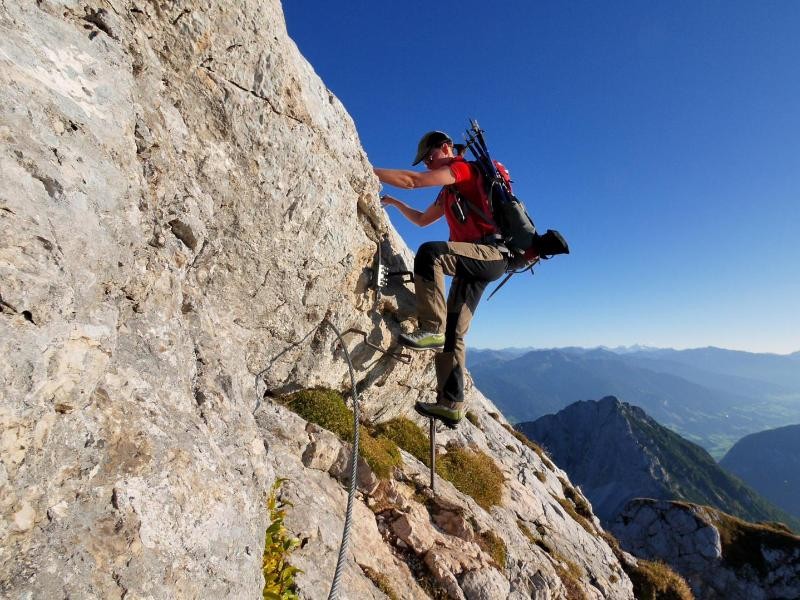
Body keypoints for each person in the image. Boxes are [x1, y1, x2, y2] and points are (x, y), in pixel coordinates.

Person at [374, 131, 508, 427]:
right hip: (475, 259)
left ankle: (430, 327)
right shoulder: (448, 192)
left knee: (430, 255)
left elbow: (414, 181)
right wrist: (395, 203)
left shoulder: (463, 169)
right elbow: (422, 220)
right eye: (425, 161)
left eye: (430, 158)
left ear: (447, 148)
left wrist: (369, 170)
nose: (428, 165)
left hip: (490, 252)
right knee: (455, 332)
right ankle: (451, 403)